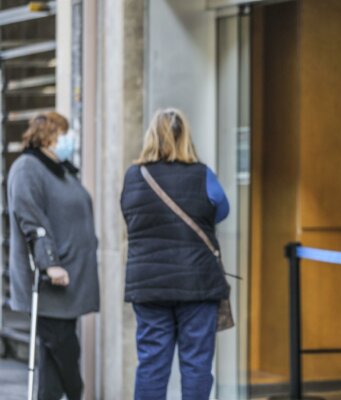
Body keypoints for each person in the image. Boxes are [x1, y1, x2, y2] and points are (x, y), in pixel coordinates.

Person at [120, 108, 230, 400]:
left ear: (151, 136)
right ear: (186, 138)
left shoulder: (134, 176)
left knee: (151, 363)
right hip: (197, 284)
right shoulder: (203, 175)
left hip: (149, 285)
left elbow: (129, 216)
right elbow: (222, 210)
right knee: (196, 364)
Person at [8, 112, 100, 400]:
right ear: (47, 136)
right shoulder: (27, 168)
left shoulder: (61, 170)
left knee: (53, 358)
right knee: (64, 348)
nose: (69, 139)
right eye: (63, 133)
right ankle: (76, 394)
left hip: (70, 281)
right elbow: (31, 219)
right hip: (50, 284)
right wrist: (50, 264)